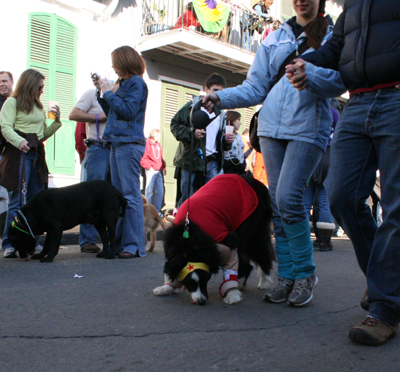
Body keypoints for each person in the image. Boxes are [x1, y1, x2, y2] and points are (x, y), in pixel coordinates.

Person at [203, 0, 345, 307]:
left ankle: (306, 274)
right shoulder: (275, 36)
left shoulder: (334, 35)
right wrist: (219, 97)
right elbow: (255, 87)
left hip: (308, 128)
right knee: (280, 208)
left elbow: (341, 81)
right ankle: (287, 276)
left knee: (290, 199)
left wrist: (312, 78)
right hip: (270, 129)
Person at [286, 0, 400, 346]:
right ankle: (385, 282)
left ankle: (385, 308)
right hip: (358, 102)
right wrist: (307, 60)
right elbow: (337, 47)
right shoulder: (352, 4)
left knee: (396, 208)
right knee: (340, 197)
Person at [0, 69, 62, 258]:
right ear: (30, 84)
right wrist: (20, 142)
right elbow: (5, 127)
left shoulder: (39, 107)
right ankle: (9, 243)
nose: (42, 90)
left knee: (36, 199)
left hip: (36, 154)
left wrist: (56, 123)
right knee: (18, 199)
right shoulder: (12, 103)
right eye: (40, 86)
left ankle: (31, 242)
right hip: (18, 153)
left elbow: (41, 135)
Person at [100, 45, 148, 259]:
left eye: (116, 62)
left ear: (125, 62)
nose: (113, 67)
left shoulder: (137, 82)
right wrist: (103, 94)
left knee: (129, 195)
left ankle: (134, 245)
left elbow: (128, 111)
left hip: (129, 142)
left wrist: (110, 94)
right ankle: (119, 244)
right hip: (118, 142)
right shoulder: (125, 84)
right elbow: (114, 113)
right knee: (119, 196)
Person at [171, 73, 233, 208]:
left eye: (221, 92)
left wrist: (227, 142)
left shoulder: (221, 114)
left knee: (212, 200)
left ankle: (205, 228)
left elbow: (219, 143)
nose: (218, 94)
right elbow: (174, 125)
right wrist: (192, 133)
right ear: (206, 90)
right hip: (191, 161)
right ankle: (184, 228)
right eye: (216, 90)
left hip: (213, 163)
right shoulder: (191, 107)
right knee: (189, 201)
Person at [69, 73, 109, 254]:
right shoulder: (91, 94)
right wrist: (97, 117)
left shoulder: (115, 95)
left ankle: (110, 239)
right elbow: (74, 114)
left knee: (110, 196)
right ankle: (87, 240)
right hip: (98, 148)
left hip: (114, 150)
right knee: (90, 195)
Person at [304, 107, 339, 251]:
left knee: (305, 202)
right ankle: (324, 241)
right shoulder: (333, 113)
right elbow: (339, 134)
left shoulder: (307, 110)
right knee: (325, 201)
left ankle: (302, 239)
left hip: (309, 154)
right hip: (329, 155)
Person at [140, 128, 166, 215]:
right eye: (158, 135)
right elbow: (143, 158)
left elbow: (160, 157)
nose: (160, 137)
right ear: (154, 137)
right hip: (151, 169)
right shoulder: (147, 144)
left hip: (158, 170)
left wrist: (164, 166)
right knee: (149, 191)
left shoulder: (157, 144)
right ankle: (148, 211)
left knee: (160, 191)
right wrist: (149, 167)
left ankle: (157, 211)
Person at [0, 71, 14, 216]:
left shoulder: (16, 102)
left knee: (6, 196)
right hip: (3, 154)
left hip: (10, 154)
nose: (2, 84)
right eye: (0, 82)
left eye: (4, 81)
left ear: (12, 82)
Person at [223, 111, 252, 175]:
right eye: (238, 120)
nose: (240, 123)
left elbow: (241, 156)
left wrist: (251, 149)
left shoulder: (238, 136)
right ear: (232, 120)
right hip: (229, 170)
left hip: (239, 169)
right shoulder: (224, 134)